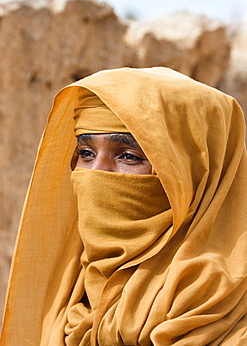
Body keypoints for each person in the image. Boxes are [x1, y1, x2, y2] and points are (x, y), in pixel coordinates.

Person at [1, 67, 247, 345]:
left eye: (128, 156)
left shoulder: (224, 306)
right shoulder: (68, 295)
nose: (97, 172)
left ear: (195, 176)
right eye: (86, 153)